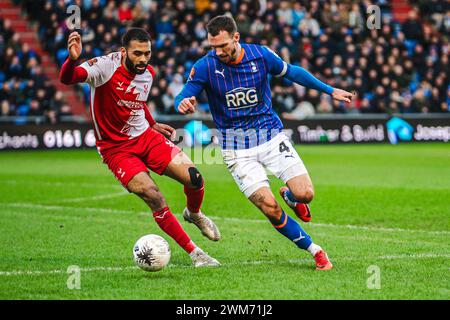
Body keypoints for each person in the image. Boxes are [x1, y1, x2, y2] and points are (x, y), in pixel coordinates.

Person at [175, 16, 354, 270]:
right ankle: (315, 250)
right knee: (269, 207)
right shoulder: (205, 66)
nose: (218, 51)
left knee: (306, 194)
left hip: (271, 136)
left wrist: (329, 90)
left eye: (223, 45)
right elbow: (183, 94)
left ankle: (291, 197)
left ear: (236, 38)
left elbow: (292, 72)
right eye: (213, 46)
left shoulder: (260, 55)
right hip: (236, 149)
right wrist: (183, 102)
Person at [59, 28, 220, 267]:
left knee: (194, 178)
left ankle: (193, 213)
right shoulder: (105, 67)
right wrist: (72, 60)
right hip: (116, 149)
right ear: (124, 52)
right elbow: (68, 78)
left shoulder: (148, 73)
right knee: (153, 195)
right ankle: (196, 254)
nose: (143, 59)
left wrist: (152, 123)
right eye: (137, 53)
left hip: (145, 136)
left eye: (147, 53)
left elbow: (138, 102)